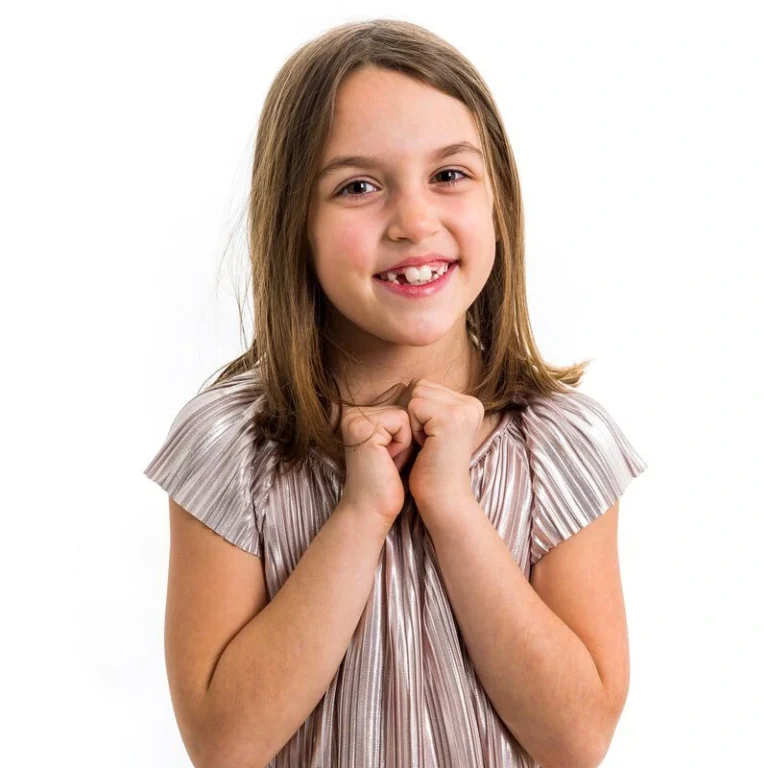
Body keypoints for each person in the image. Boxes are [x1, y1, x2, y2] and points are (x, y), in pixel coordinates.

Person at [144, 18, 647, 768]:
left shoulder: (562, 446)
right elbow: (225, 744)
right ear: (295, 224)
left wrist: (452, 508)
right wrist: (360, 514)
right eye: (358, 186)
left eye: (449, 175)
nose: (414, 222)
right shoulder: (230, 448)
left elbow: (576, 740)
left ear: (499, 204)